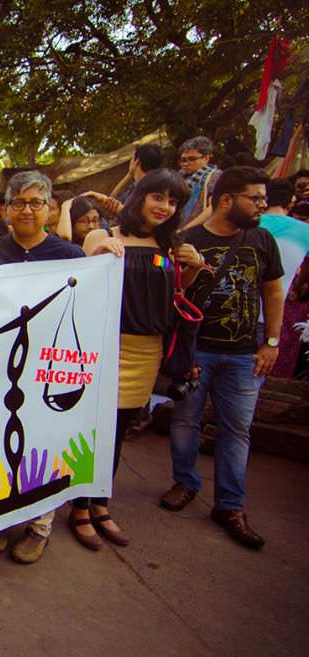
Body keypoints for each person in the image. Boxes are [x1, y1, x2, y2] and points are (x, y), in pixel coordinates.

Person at [73, 169, 202, 550]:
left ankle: (101, 504)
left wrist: (191, 266)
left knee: (120, 431)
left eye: (173, 201)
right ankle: (79, 507)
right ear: (139, 196)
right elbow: (77, 285)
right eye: (157, 197)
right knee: (95, 431)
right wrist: (95, 256)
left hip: (148, 351)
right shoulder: (105, 235)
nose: (164, 207)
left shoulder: (171, 244)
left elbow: (177, 291)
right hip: (107, 347)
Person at [160, 166, 284, 550]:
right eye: (255, 198)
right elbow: (174, 295)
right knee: (185, 421)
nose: (262, 204)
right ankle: (185, 482)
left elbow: (273, 292)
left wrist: (272, 341)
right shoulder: (186, 240)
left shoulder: (262, 239)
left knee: (237, 430)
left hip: (245, 356)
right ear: (227, 199)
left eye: (264, 198)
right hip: (196, 350)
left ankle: (230, 505)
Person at [0, 171, 88, 564]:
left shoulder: (71, 257)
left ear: (50, 209)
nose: (26, 210)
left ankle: (40, 526)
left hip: (46, 369)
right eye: (18, 202)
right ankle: (1, 522)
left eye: (35, 203)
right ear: (6, 209)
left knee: (44, 442)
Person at [258, 179, 309, 378]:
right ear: (291, 202)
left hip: (236, 314)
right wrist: (297, 285)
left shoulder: (249, 225)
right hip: (274, 316)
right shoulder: (305, 231)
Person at [179, 136, 220, 225]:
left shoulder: (214, 176)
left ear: (206, 158)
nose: (186, 163)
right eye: (183, 160)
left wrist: (186, 229)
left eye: (191, 159)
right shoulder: (179, 176)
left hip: (194, 230)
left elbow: (214, 207)